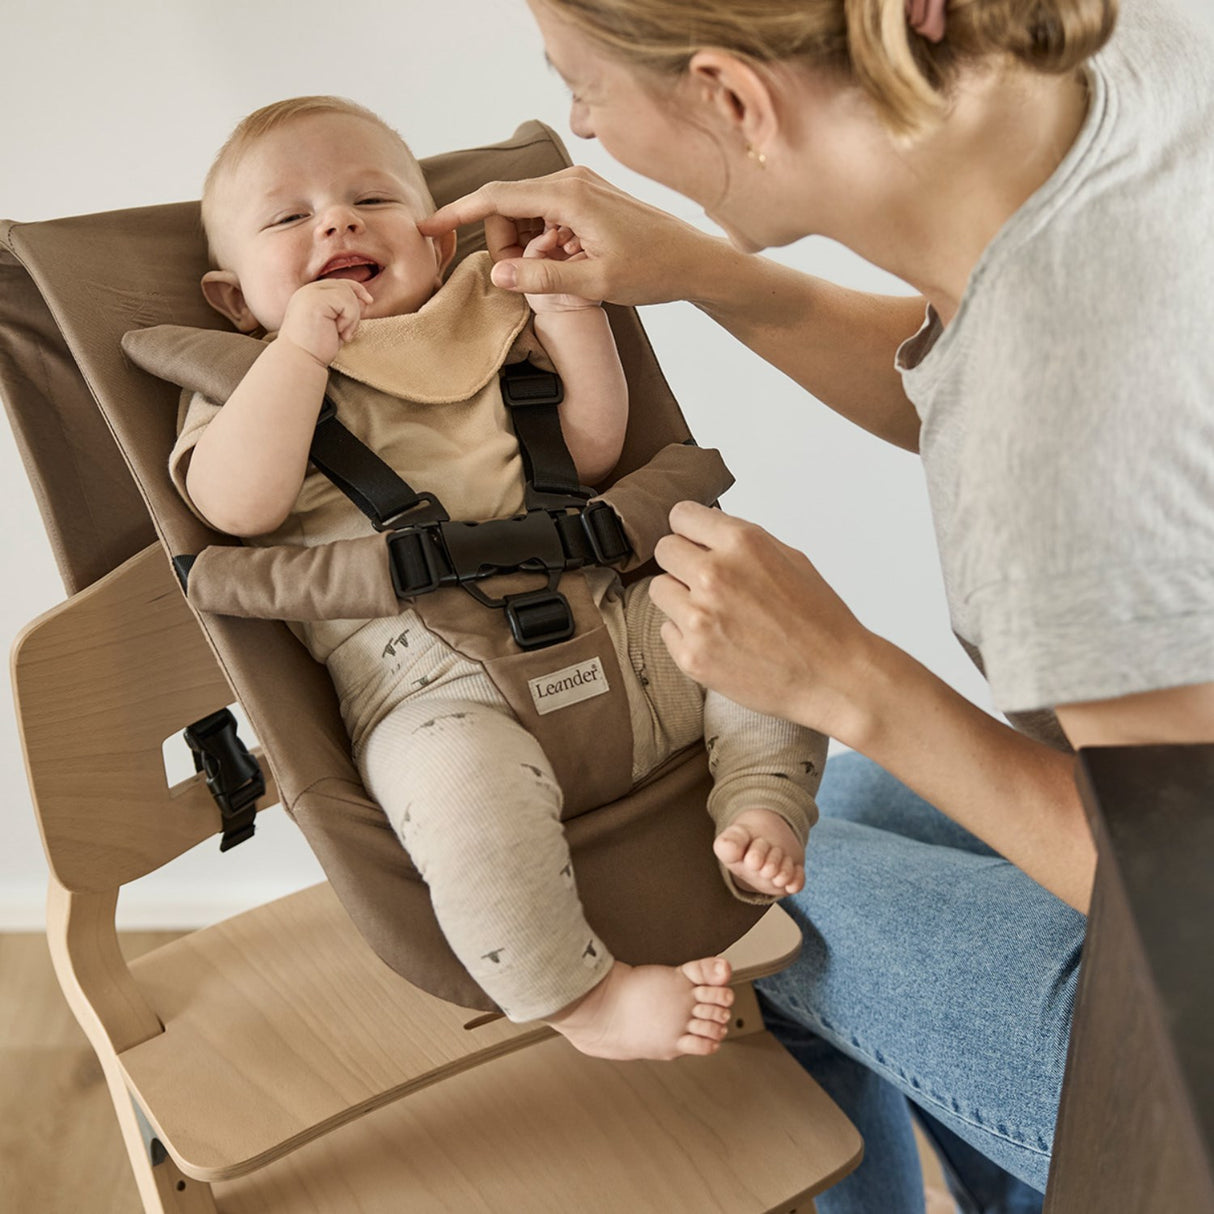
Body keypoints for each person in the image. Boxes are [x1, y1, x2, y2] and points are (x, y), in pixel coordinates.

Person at [420, 0, 1214, 1209]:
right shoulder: (1125, 70)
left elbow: (1184, 898)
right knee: (814, 814)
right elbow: (984, 351)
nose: (578, 126)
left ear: (732, 98)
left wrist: (848, 676)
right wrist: (712, 276)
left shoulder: (1055, 431)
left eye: (581, 89)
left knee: (742, 886)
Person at [172, 95, 827, 1063]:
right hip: (433, 689)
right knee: (455, 798)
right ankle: (580, 995)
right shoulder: (245, 384)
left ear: (437, 248)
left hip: (615, 631)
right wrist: (301, 352)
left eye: (370, 198)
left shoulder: (489, 328)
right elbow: (240, 507)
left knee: (747, 605)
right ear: (233, 299)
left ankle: (762, 793)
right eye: (288, 217)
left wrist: (564, 309)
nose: (337, 222)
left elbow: (591, 451)